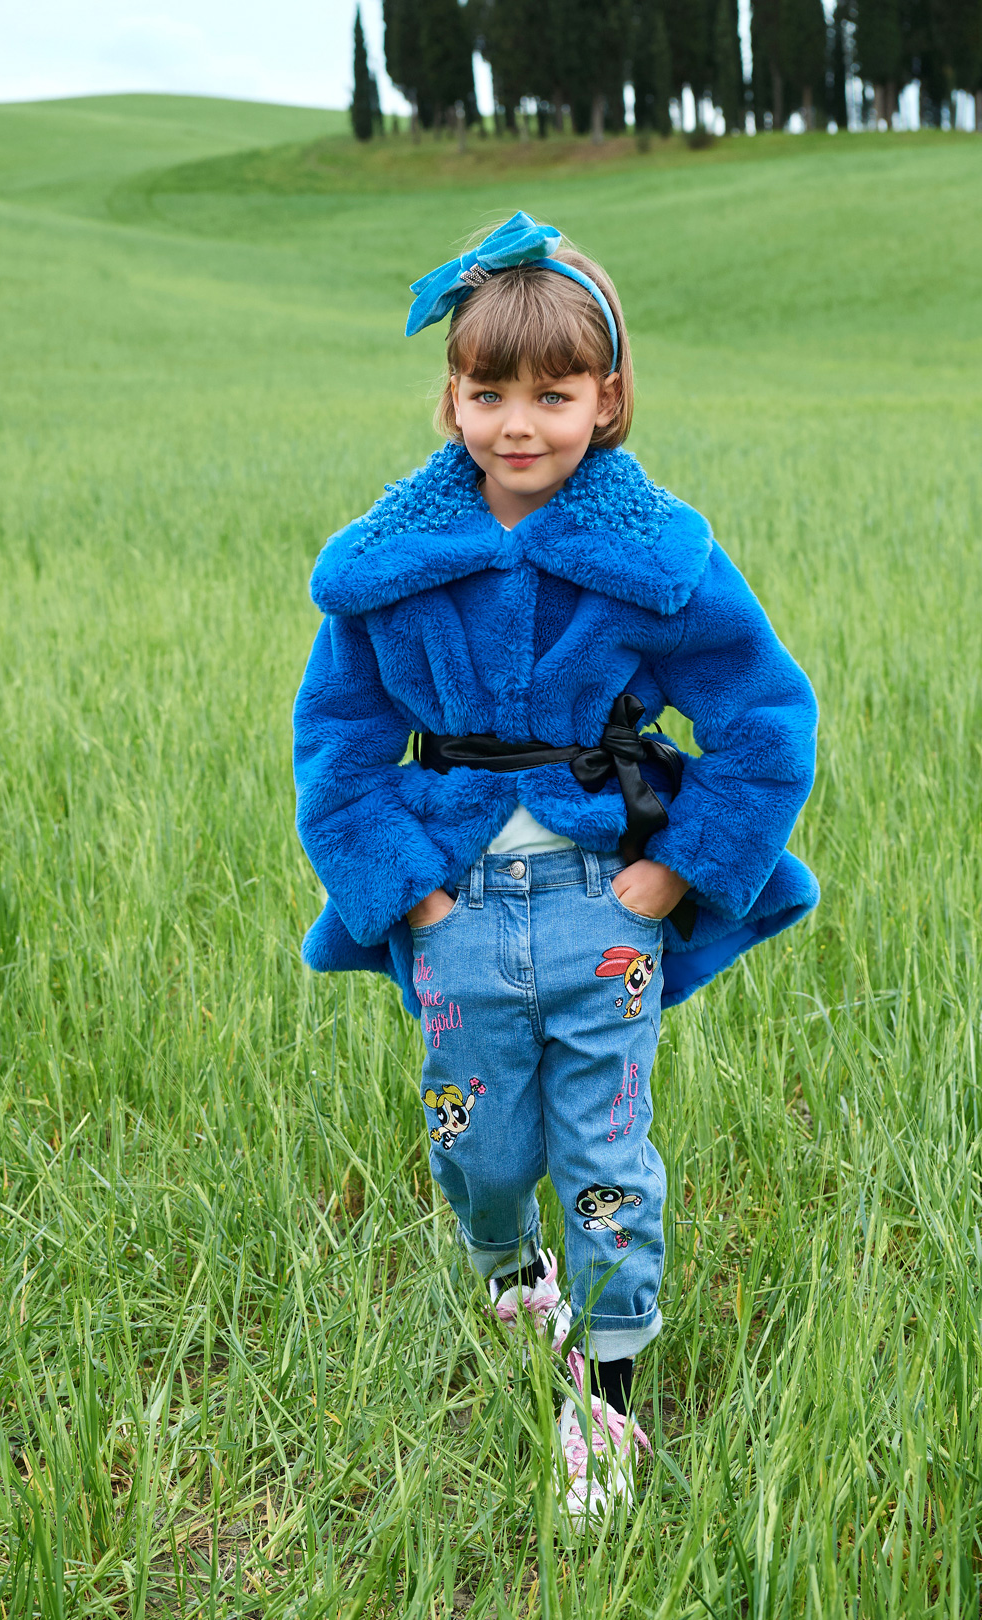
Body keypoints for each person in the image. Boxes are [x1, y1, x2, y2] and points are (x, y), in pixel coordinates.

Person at [292, 212, 818, 1518]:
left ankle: (611, 1394)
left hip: (606, 916)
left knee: (607, 1157)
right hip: (454, 912)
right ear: (452, 397)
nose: (518, 422)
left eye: (553, 393)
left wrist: (676, 871)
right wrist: (407, 890)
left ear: (608, 398)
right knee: (472, 1134)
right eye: (489, 393)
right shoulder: (390, 569)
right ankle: (502, 1263)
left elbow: (765, 720)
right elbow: (339, 743)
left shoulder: (656, 562)